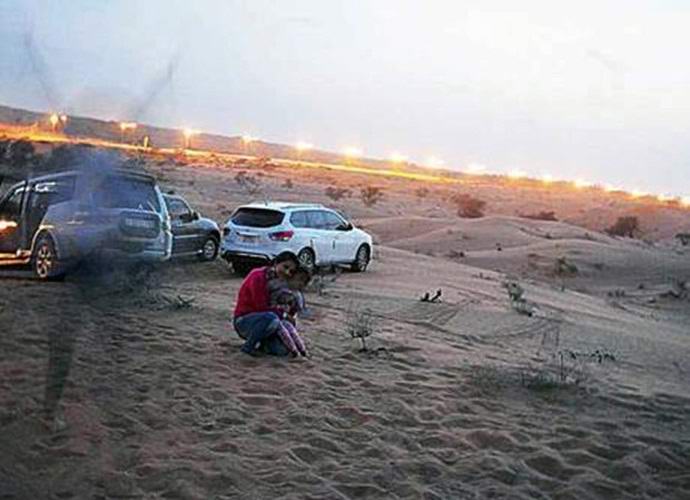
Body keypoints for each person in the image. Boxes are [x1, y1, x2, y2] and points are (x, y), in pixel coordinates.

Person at [232, 251, 299, 356]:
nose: (287, 272)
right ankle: (248, 348)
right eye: (285, 267)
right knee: (271, 318)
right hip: (244, 321)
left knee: (281, 351)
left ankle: (263, 344)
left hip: (270, 322)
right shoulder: (258, 276)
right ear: (276, 263)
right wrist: (284, 315)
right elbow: (261, 307)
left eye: (291, 271)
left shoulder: (283, 284)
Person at [271, 267, 310, 357]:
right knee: (283, 332)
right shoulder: (278, 289)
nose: (300, 284)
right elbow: (271, 306)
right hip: (275, 320)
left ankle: (302, 350)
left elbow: (296, 311)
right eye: (299, 280)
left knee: (292, 331)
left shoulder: (298, 295)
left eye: (304, 283)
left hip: (285, 320)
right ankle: (294, 351)